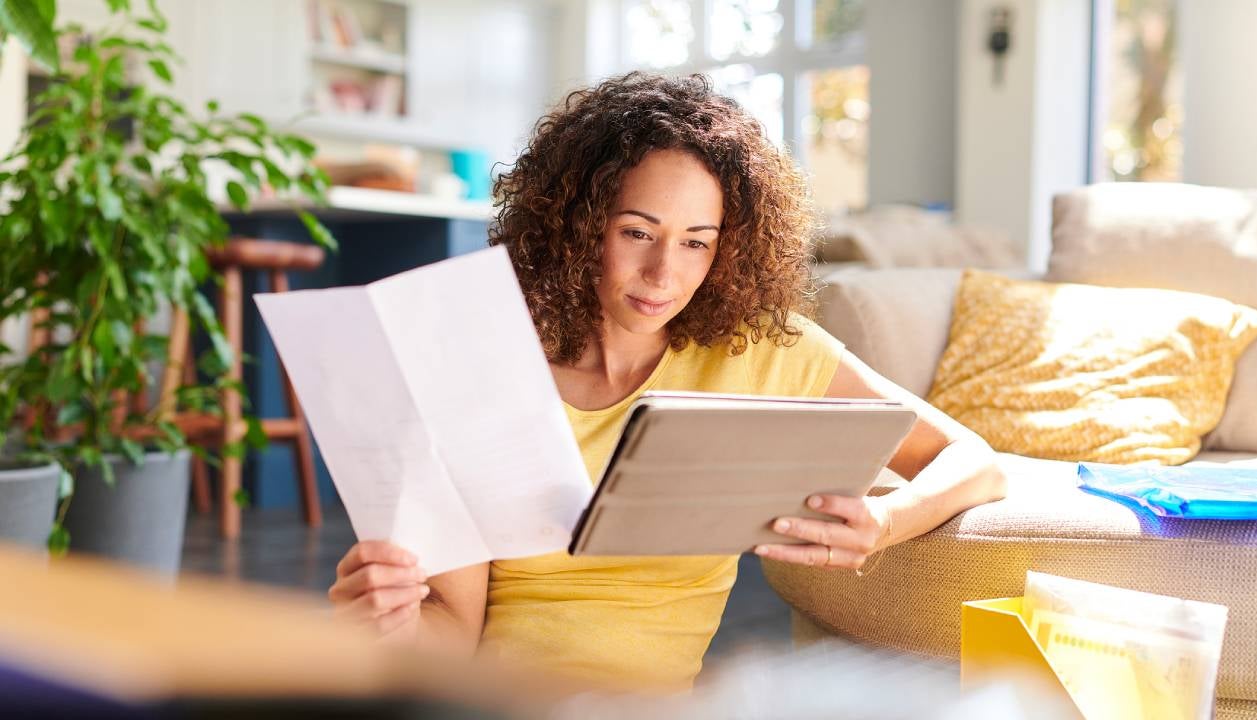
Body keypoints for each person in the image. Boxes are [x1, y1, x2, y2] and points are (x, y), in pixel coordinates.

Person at [328, 73, 1006, 690]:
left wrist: (885, 522)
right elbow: (453, 633)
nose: (664, 275)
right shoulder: (486, 364)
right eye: (637, 232)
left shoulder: (763, 350)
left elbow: (973, 461)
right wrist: (392, 621)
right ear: (578, 224)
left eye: (696, 242)